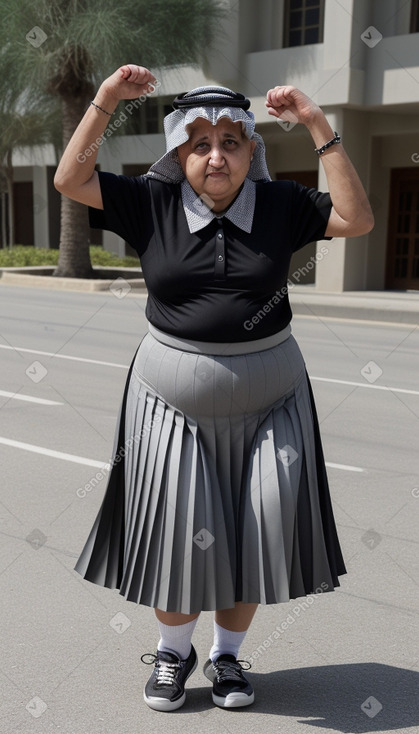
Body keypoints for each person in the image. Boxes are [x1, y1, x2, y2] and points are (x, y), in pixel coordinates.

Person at [54, 64, 374, 713]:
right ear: (179, 153)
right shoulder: (150, 203)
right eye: (199, 143)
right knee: (181, 531)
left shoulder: (281, 206)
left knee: (259, 529)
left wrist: (315, 123)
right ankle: (174, 654)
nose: (215, 155)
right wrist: (106, 100)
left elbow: (355, 217)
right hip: (169, 402)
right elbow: (70, 179)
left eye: (230, 141)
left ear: (251, 150)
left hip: (273, 400)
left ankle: (227, 659)